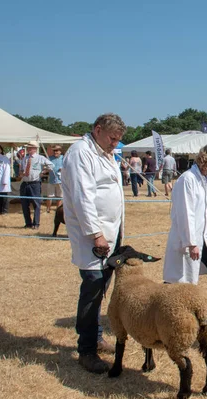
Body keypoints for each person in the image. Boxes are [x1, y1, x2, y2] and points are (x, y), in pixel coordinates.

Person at [62, 113, 126, 374]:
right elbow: (82, 198)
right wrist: (96, 234)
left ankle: (97, 336)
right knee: (92, 290)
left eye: (118, 140)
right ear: (98, 130)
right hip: (93, 237)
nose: (115, 144)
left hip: (111, 234)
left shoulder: (105, 153)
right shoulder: (80, 153)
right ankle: (86, 350)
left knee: (102, 289)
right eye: (112, 138)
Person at [163, 143, 207, 284]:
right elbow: (186, 213)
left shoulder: (205, 179)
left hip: (201, 235)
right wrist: (191, 243)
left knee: (194, 278)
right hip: (187, 238)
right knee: (180, 281)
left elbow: (204, 210)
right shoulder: (188, 179)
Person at [18, 141, 54, 229]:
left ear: (35, 149)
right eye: (28, 148)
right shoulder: (25, 158)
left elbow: (51, 165)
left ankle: (36, 223)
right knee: (24, 204)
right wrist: (21, 172)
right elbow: (22, 169)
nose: (28, 149)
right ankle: (28, 223)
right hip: (25, 183)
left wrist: (43, 172)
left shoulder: (40, 158)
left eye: (30, 147)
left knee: (36, 204)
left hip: (35, 183)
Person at [45, 145, 64, 213]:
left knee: (59, 196)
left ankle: (58, 210)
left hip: (60, 180)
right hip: (51, 180)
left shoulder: (63, 158)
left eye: (57, 151)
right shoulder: (49, 158)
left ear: (60, 151)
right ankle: (48, 209)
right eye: (54, 151)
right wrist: (47, 169)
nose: (56, 152)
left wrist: (63, 169)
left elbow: (68, 167)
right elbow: (46, 168)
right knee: (49, 196)